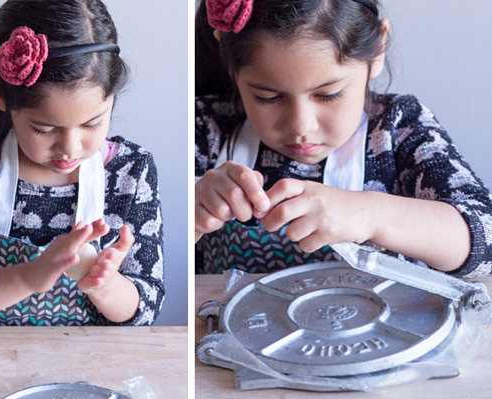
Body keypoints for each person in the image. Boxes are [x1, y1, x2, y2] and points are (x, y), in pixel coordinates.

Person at [195, 0, 492, 277]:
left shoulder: (400, 127)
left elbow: (486, 239)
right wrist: (194, 216)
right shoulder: (208, 128)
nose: (301, 126)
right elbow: (156, 263)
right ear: (231, 64)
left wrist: (371, 214)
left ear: (376, 50)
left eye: (329, 94)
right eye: (267, 97)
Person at [0, 0, 163, 326]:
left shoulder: (131, 172)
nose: (70, 148)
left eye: (92, 124)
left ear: (111, 98)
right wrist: (30, 276)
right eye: (44, 129)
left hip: (91, 368)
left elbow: (147, 305)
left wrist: (105, 284)